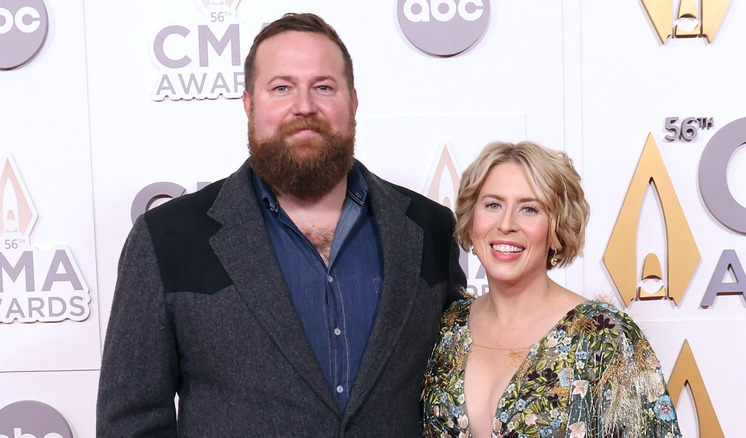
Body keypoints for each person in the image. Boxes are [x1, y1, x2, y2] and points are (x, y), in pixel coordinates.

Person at [97, 12, 465, 436]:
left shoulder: (429, 229)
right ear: (249, 104)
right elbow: (131, 421)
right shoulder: (167, 238)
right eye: (282, 88)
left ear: (353, 102)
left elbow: (456, 387)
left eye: (323, 87)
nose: (304, 106)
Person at [422, 141, 681, 438]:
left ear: (557, 229)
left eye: (529, 209)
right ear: (471, 221)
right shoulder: (445, 327)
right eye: (493, 205)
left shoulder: (603, 337)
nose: (506, 224)